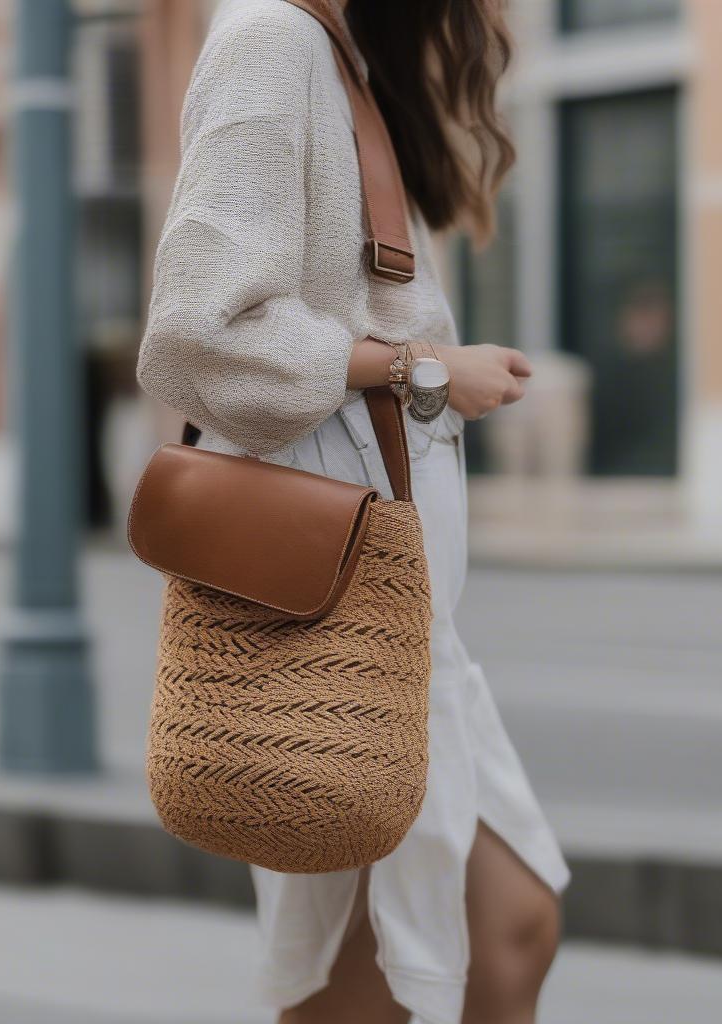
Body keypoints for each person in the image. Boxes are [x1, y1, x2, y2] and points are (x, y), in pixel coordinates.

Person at [136, 1, 570, 1021]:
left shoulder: (341, 54)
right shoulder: (270, 40)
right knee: (410, 963)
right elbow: (201, 330)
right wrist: (425, 369)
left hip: (394, 612)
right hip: (331, 599)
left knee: (497, 930)